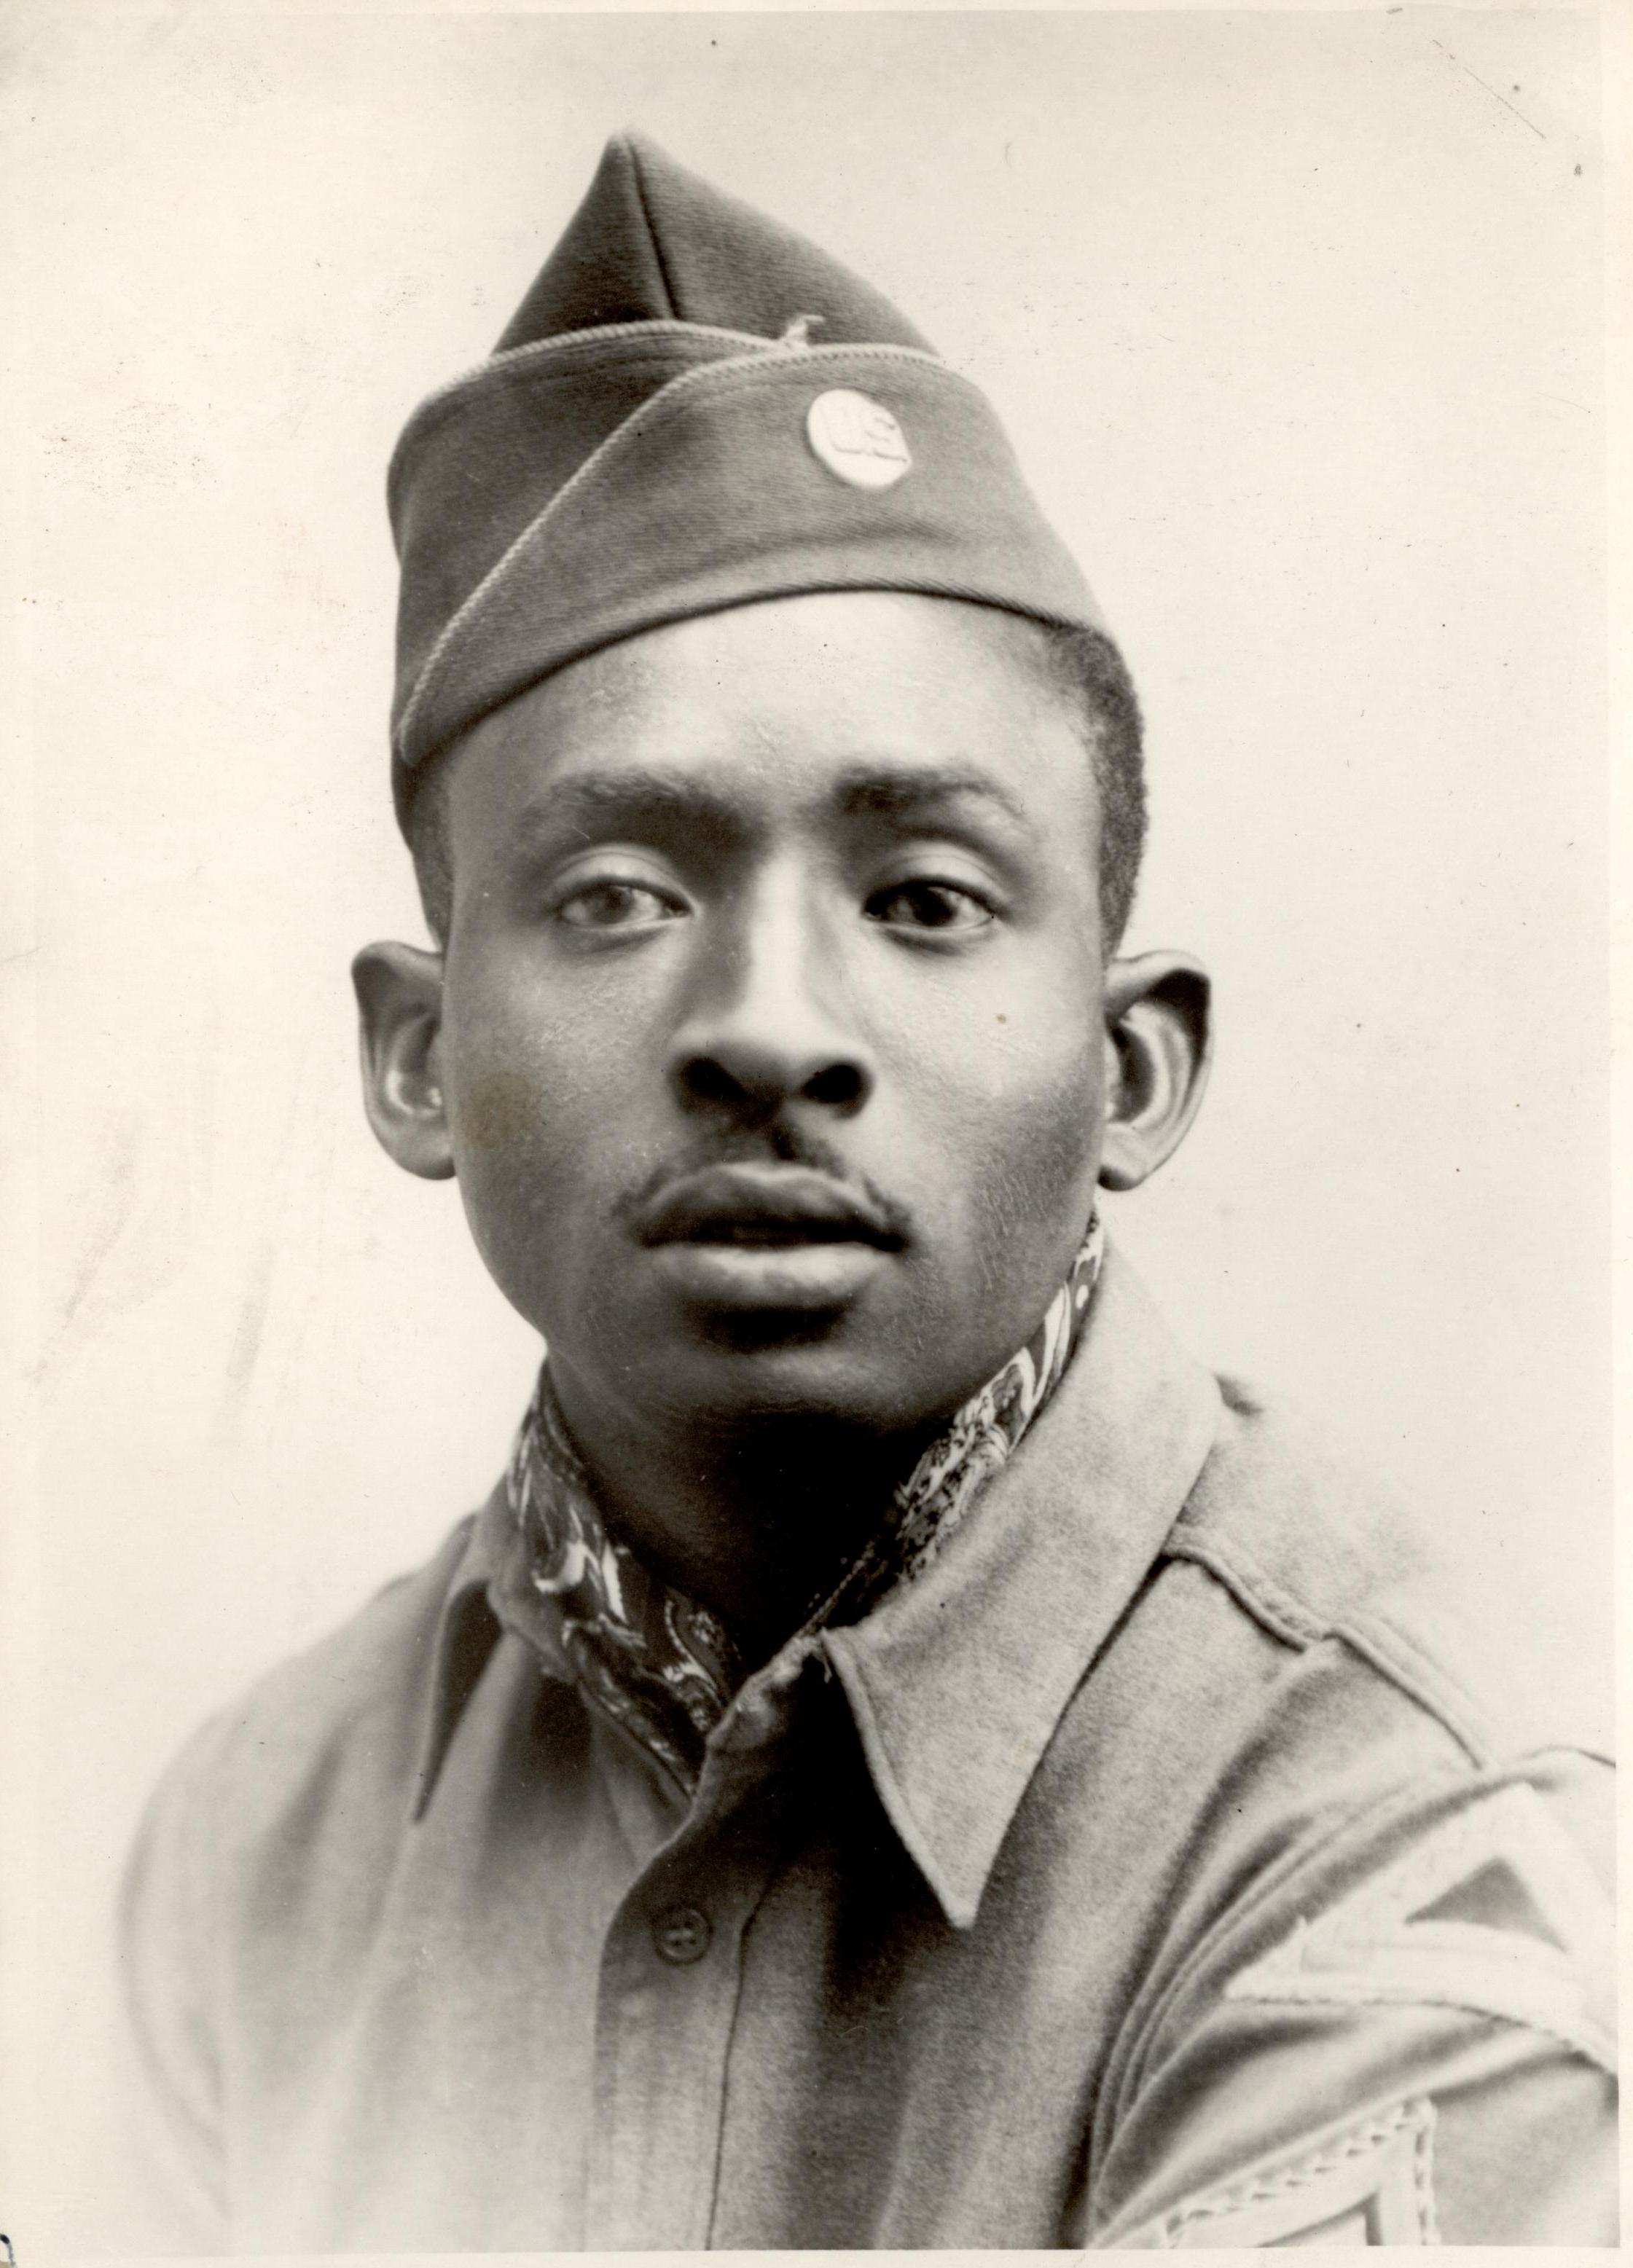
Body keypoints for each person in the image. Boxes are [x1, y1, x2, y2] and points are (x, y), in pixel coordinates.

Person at [117, 133, 1616, 2251]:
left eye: (922, 899)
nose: (766, 1025)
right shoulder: (253, 1847)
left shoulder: (1396, 1831)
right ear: (418, 1055)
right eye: (617, 893)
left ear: (1129, 1064)